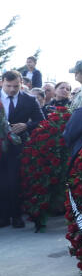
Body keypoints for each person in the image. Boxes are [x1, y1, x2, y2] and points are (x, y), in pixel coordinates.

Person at [0, 71, 44, 228]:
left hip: (17, 146)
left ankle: (16, 216)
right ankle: (2, 217)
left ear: (21, 84)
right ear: (1, 83)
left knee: (14, 182)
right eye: (8, 86)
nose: (12, 89)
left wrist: (27, 125)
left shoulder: (29, 99)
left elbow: (41, 120)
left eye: (16, 86)